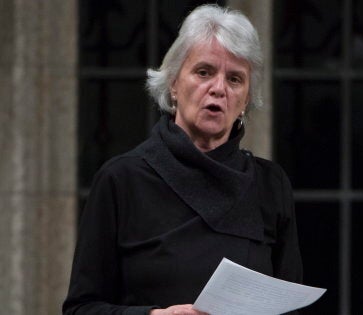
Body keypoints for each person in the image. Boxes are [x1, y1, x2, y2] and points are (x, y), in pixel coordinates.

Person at [63, 4, 302, 315]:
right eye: (204, 72)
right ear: (174, 84)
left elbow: (289, 308)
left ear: (245, 99)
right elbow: (80, 309)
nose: (218, 89)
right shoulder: (122, 180)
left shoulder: (271, 186)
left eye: (235, 79)